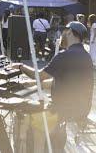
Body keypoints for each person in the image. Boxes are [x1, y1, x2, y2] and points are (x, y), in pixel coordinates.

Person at [13, 21, 93, 152]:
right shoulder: (85, 56)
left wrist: (20, 67)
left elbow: (39, 75)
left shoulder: (65, 56)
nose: (61, 34)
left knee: (27, 116)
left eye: (64, 31)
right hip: (81, 108)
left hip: (65, 109)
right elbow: (63, 82)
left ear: (69, 32)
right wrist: (33, 84)